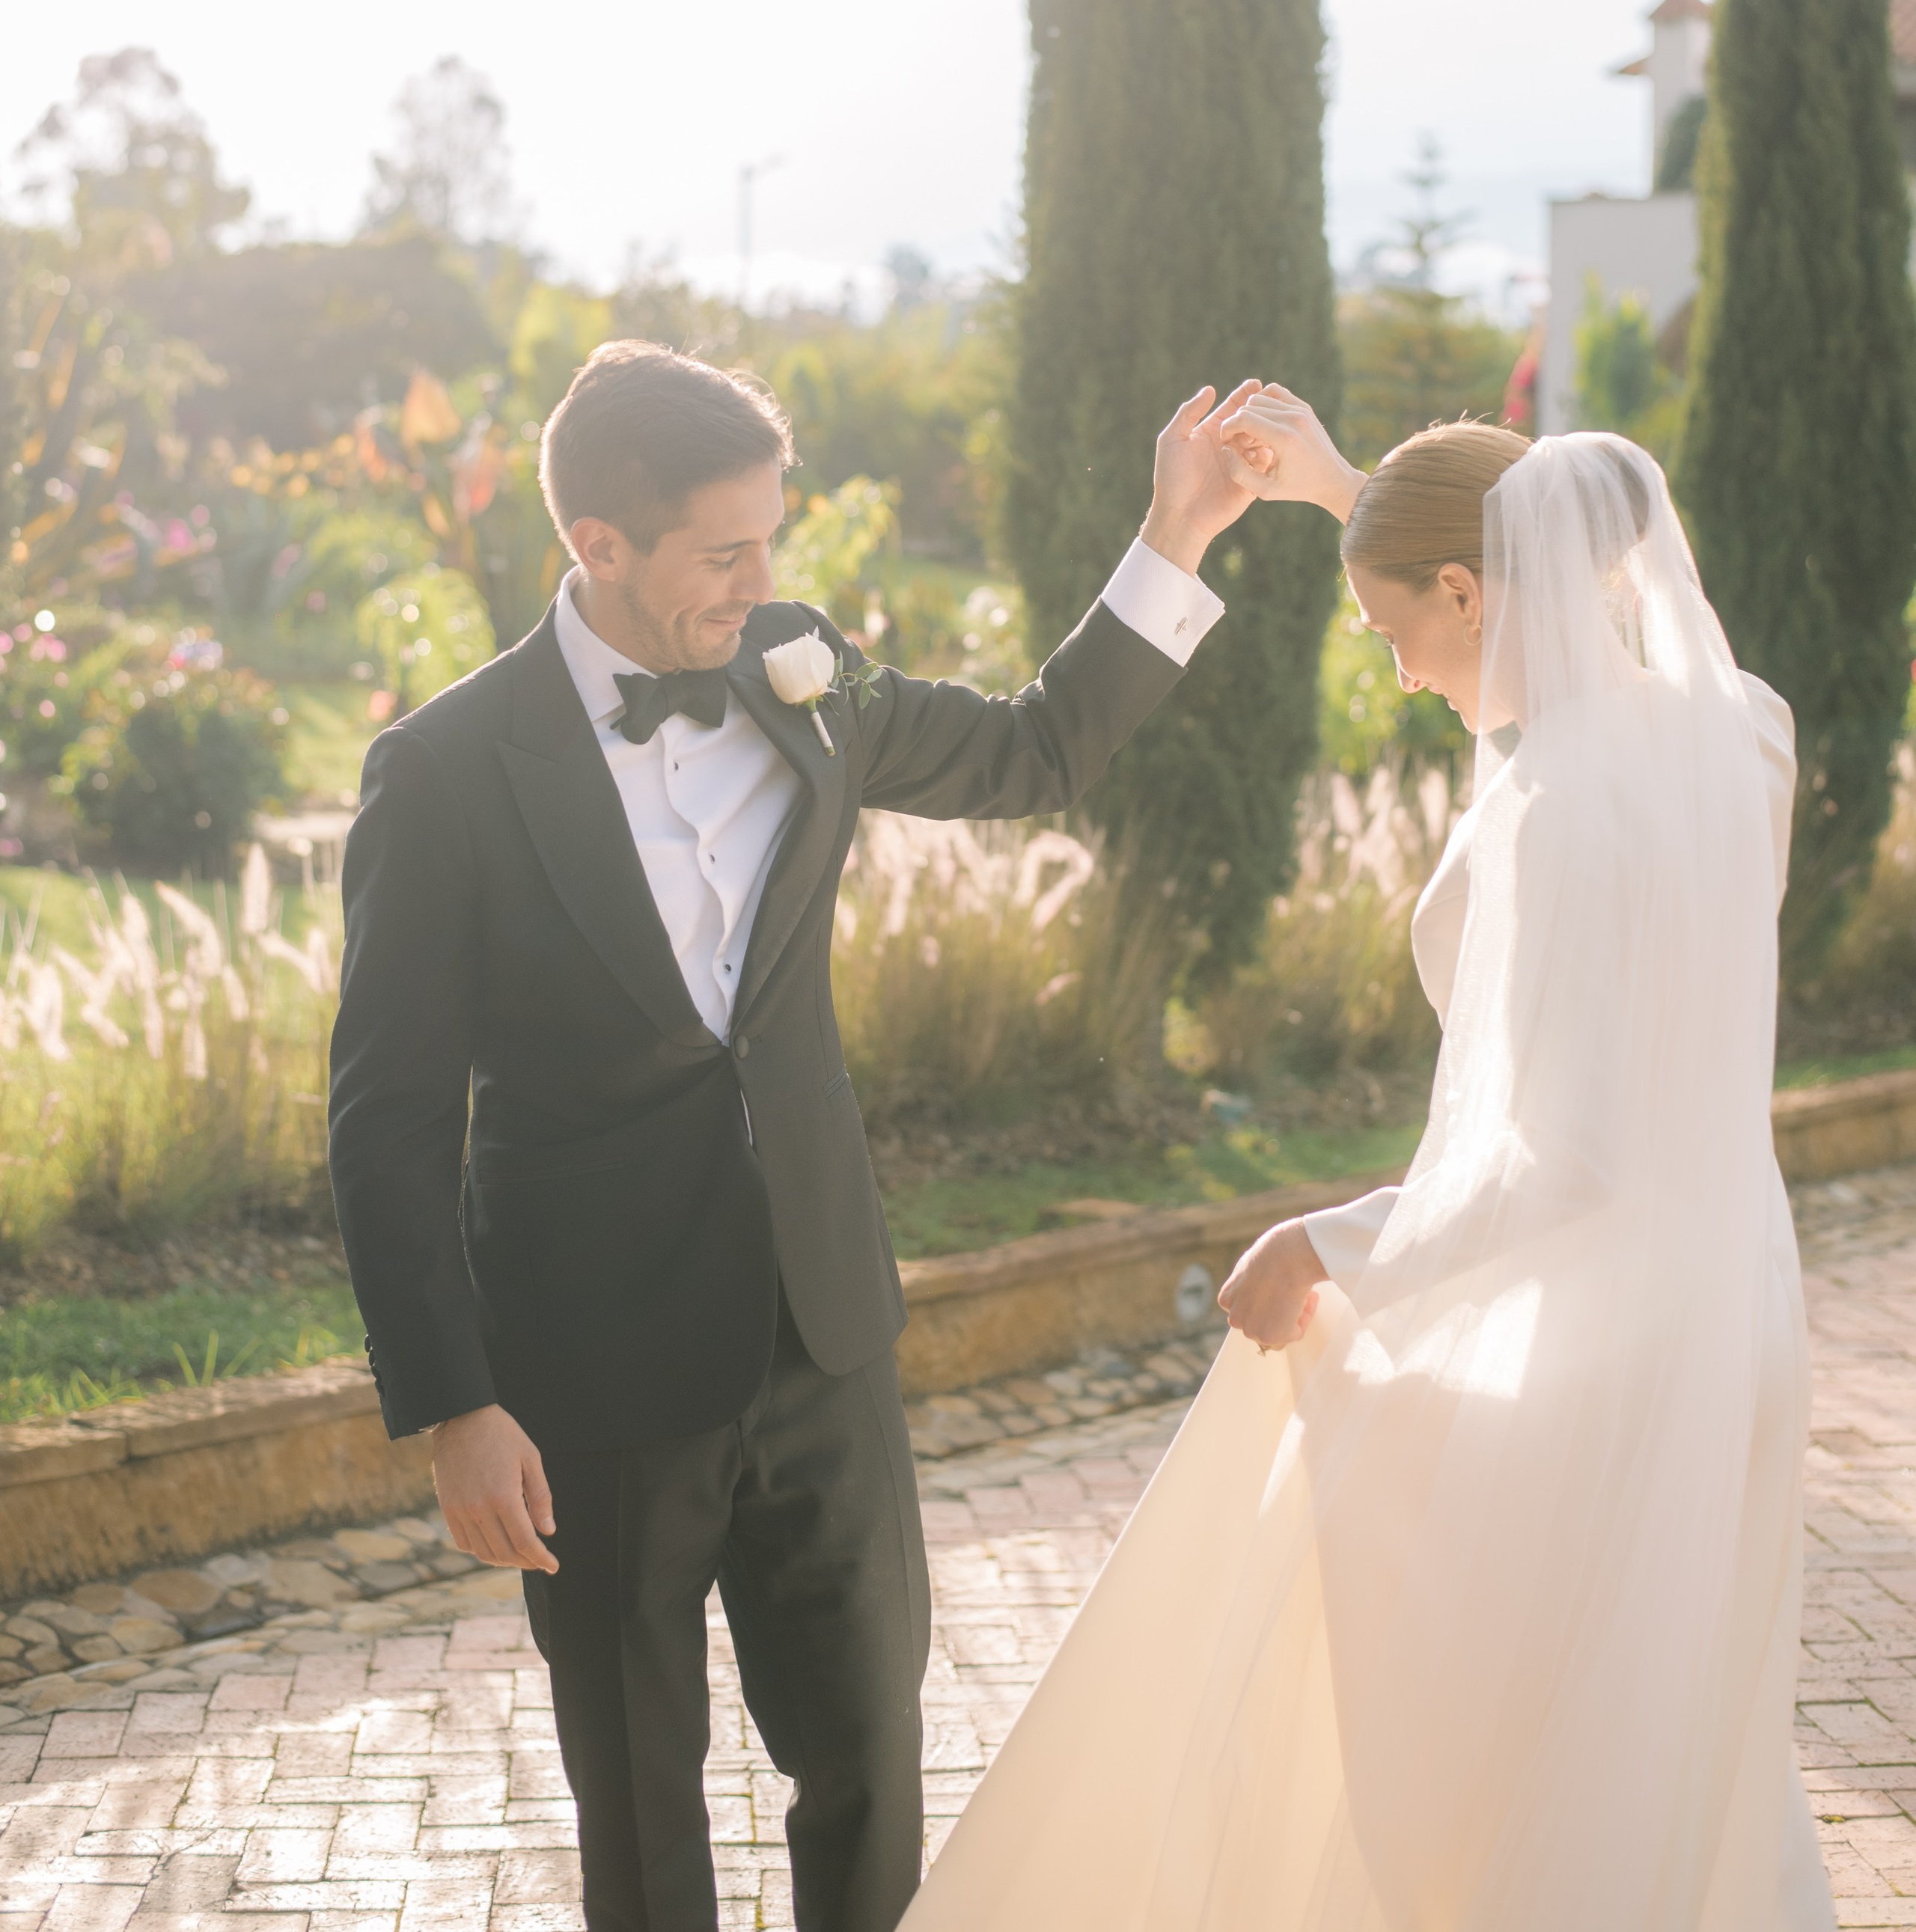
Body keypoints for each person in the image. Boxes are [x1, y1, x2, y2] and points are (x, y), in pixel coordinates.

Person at [327, 339, 1267, 1932]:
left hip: (821, 1332)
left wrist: (1170, 537)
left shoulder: (795, 672)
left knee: (869, 1754)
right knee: (638, 1797)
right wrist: (453, 1404)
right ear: (596, 547)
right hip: (592, 1368)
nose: (763, 580)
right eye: (724, 551)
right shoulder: (441, 773)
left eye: (771, 538)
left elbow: (1030, 748)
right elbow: (388, 1116)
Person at [902, 394, 1834, 1932]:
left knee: (1516, 1751)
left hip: (1597, 1344)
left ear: (1470, 594)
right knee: (1686, 1740)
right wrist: (1364, 498)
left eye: (1394, 625)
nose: (1390, 668)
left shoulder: (1547, 809)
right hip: (1730, 1317)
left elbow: (1574, 1159)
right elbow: (1538, 587)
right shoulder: (1738, 731)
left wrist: (1332, 1240)